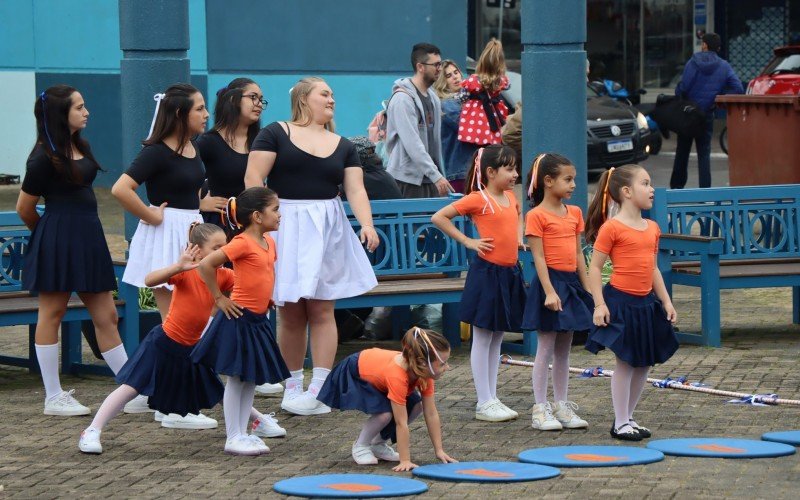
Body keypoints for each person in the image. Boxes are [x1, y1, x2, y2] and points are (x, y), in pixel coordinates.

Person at [244, 77, 379, 417]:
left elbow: (356, 190)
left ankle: (320, 387)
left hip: (326, 228)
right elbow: (253, 178)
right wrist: (260, 222)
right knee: (289, 309)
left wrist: (366, 224)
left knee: (321, 308)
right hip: (284, 224)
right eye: (325, 93)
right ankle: (291, 387)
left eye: (332, 93)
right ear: (305, 99)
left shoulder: (343, 144)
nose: (331, 98)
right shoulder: (275, 132)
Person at [17, 85, 130, 416]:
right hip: (58, 239)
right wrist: (49, 239)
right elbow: (26, 208)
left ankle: (130, 388)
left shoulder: (82, 145)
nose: (86, 111)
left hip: (89, 237)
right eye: (79, 107)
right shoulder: (41, 158)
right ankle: (53, 396)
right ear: (59, 114)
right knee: (51, 313)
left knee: (106, 315)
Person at [78, 224, 233, 454]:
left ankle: (258, 421)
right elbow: (150, 280)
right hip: (163, 343)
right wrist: (177, 266)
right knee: (130, 388)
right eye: (216, 247)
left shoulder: (224, 276)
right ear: (197, 251)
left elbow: (242, 289)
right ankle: (92, 430)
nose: (222, 252)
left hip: (192, 348)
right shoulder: (186, 272)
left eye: (225, 247)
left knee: (221, 391)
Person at [191, 187, 290, 455]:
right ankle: (232, 436)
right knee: (236, 378)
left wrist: (266, 298)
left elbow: (263, 274)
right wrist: (219, 298)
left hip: (258, 318)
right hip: (239, 317)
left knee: (250, 379)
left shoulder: (269, 242)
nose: (280, 214)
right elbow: (205, 265)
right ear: (257, 216)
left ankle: (244, 433)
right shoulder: (242, 242)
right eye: (275, 209)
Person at [584, 165, 680, 441]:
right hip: (621, 303)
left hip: (646, 304)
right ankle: (621, 422)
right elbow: (594, 268)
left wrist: (666, 301)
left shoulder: (652, 227)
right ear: (626, 192)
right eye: (645, 183)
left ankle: (627, 417)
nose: (651, 189)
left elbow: (652, 269)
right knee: (626, 361)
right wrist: (599, 305)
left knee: (644, 363)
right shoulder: (611, 228)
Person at [431, 144, 524, 422]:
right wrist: (468, 241)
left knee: (497, 336)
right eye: (509, 169)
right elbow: (439, 217)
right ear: (491, 172)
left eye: (515, 168)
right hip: (487, 274)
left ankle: (492, 397)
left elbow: (515, 218)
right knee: (483, 337)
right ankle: (484, 401)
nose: (515, 174)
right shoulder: (477, 199)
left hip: (508, 273)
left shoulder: (509, 196)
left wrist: (518, 239)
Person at [113, 84, 209, 320]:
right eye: (200, 108)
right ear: (179, 114)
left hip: (193, 231)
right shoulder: (156, 151)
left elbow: (192, 190)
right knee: (174, 316)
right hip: (166, 232)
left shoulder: (193, 145)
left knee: (199, 311)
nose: (206, 114)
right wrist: (150, 215)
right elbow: (121, 189)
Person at [317, 327, 457, 471]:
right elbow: (400, 422)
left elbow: (431, 413)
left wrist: (439, 450)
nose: (447, 367)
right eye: (442, 363)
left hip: (382, 377)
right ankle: (361, 445)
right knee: (385, 414)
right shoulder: (397, 376)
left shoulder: (424, 373)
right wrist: (405, 460)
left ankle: (378, 444)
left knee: (417, 406)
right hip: (357, 371)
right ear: (422, 362)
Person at [522, 153, 593, 431]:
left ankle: (561, 405)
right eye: (568, 179)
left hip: (571, 284)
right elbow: (539, 259)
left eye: (573, 179)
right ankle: (540, 408)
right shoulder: (536, 215)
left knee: (565, 349)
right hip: (550, 285)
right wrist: (550, 292)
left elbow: (578, 253)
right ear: (548, 181)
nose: (573, 184)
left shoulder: (574, 213)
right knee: (546, 347)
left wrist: (587, 289)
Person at [671, 33, 743, 189]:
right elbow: (738, 88)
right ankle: (705, 192)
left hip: (687, 114)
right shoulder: (724, 66)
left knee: (682, 152)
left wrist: (679, 95)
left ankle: (676, 189)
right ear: (717, 48)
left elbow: (684, 87)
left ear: (704, 45)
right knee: (704, 154)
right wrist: (719, 99)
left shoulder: (693, 62)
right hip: (706, 115)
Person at [197, 78, 264, 236]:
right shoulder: (209, 141)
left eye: (261, 99)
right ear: (233, 100)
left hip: (254, 225)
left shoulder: (262, 140)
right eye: (253, 97)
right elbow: (184, 175)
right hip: (219, 227)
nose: (259, 104)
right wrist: (199, 203)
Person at [385, 43, 453, 198]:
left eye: (440, 64)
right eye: (436, 65)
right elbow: (413, 144)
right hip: (407, 180)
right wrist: (436, 175)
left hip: (431, 178)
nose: (440, 69)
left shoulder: (433, 98)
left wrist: (437, 174)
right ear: (420, 67)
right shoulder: (403, 99)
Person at [434, 60, 476, 194]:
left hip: (471, 169)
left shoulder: (467, 99)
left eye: (456, 72)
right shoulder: (447, 104)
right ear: (442, 82)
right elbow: (468, 128)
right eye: (448, 76)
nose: (455, 77)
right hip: (460, 171)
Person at [458, 39, 510, 147]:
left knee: (475, 149)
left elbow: (462, 97)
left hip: (476, 119)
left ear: (482, 61)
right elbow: (507, 87)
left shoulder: (473, 80)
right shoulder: (501, 81)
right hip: (495, 114)